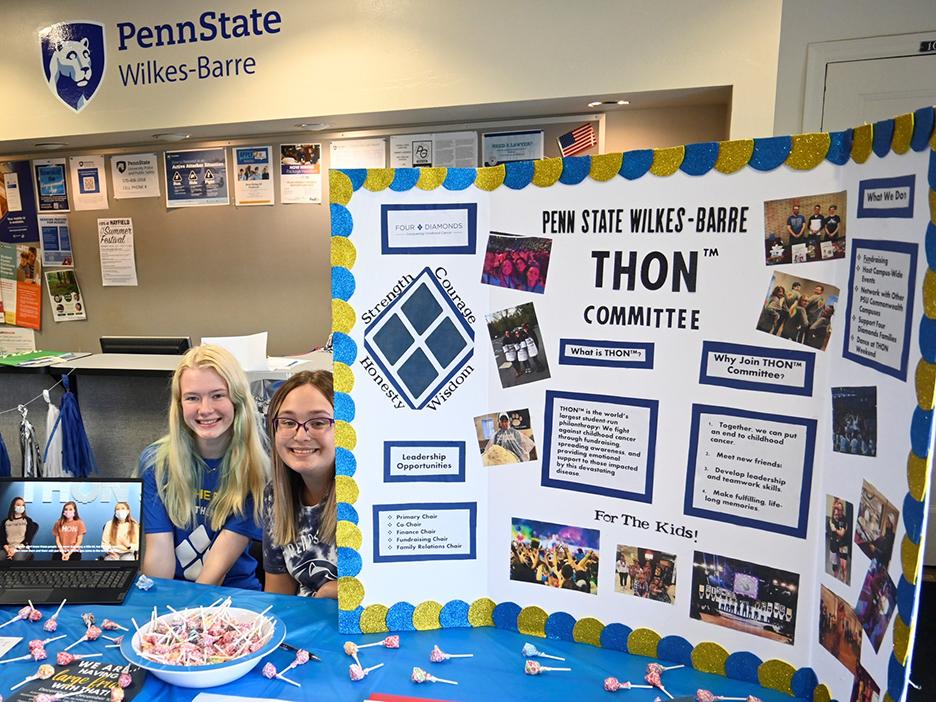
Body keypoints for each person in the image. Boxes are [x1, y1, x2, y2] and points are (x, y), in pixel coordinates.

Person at [141, 345, 269, 590]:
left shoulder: (256, 470)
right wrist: (157, 609)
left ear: (237, 400)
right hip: (176, 592)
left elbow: (215, 571)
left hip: (233, 595)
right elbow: (159, 554)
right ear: (179, 405)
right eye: (192, 398)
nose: (205, 409)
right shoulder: (156, 462)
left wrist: (185, 622)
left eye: (218, 395)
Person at [262, 370, 339, 598]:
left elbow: (405, 586)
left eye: (318, 422)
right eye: (287, 422)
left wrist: (334, 592)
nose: (301, 435)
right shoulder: (275, 496)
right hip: (306, 626)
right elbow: (279, 598)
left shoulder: (368, 495)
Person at [827, 499, 849, 582]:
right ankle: (835, 576)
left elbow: (842, 533)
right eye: (836, 512)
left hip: (843, 543)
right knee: (834, 563)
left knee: (844, 565)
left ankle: (844, 579)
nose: (838, 513)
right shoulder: (831, 520)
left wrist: (835, 530)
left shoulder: (843, 519)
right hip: (834, 544)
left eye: (840, 510)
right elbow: (830, 531)